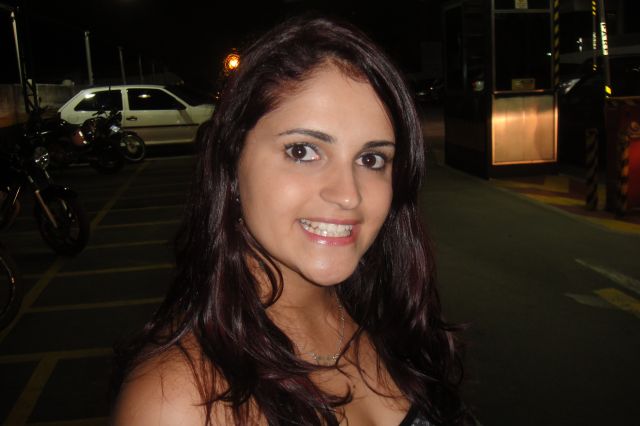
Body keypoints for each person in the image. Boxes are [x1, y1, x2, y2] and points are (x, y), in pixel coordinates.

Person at [111, 15, 470, 426]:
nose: (348, 194)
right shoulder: (176, 401)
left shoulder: (384, 313)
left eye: (371, 159)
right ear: (231, 161)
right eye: (302, 151)